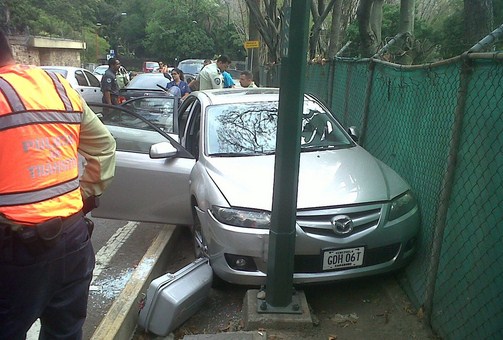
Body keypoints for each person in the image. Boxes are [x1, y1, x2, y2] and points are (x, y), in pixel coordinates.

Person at [0, 29, 117, 339]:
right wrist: (81, 195)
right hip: (73, 238)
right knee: (65, 333)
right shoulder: (58, 86)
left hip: (16, 249)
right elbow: (104, 147)